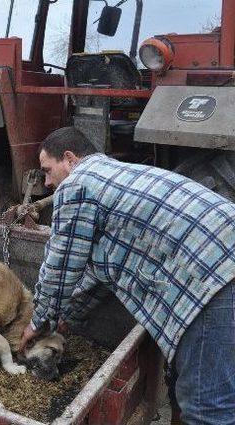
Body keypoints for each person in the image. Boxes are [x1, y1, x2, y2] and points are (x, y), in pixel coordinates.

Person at [18, 127, 235, 424]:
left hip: (214, 276)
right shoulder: (114, 177)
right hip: (223, 260)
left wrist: (37, 323)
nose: (46, 182)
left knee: (206, 408)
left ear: (69, 159)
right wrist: (65, 319)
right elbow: (98, 275)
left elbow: (60, 267)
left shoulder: (78, 183)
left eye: (47, 170)